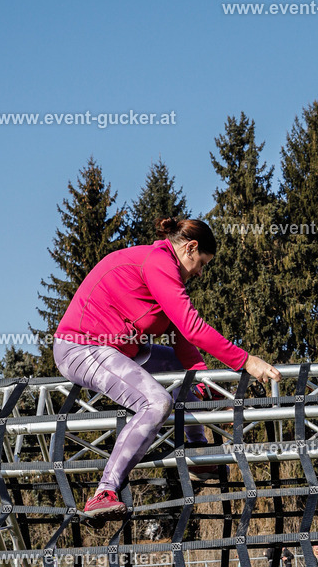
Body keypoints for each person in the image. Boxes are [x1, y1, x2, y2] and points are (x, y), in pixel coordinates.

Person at [53, 216, 281, 518]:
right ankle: (104, 491)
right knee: (157, 402)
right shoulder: (158, 263)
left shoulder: (162, 269)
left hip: (121, 349)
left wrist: (204, 388)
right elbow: (193, 327)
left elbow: (184, 344)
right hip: (81, 347)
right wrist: (247, 361)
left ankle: (197, 449)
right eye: (202, 263)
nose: (200, 273)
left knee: (179, 370)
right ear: (190, 248)